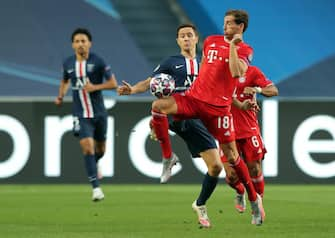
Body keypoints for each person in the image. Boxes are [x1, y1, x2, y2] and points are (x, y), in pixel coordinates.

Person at [149, 9, 265, 227]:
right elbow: (206, 71)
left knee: (231, 156)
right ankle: (168, 157)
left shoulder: (245, 49)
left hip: (219, 110)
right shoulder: (211, 41)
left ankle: (253, 199)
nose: (225, 27)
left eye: (230, 24)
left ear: (240, 27)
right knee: (158, 106)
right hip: (194, 100)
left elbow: (235, 72)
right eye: (224, 22)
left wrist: (232, 46)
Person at [118, 24, 220, 187]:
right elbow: (149, 82)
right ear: (178, 41)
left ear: (196, 38)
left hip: (197, 118)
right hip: (176, 110)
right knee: (159, 106)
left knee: (215, 166)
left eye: (189, 35)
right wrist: (132, 89)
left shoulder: (206, 64)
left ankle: (201, 203)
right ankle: (167, 155)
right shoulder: (171, 62)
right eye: (182, 36)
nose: (186, 38)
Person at [55, 28, 118, 202]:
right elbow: (65, 80)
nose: (80, 44)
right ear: (72, 44)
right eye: (77, 41)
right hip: (80, 113)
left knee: (101, 150)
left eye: (83, 41)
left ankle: (95, 163)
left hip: (99, 113)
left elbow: (113, 83)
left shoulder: (98, 61)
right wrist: (60, 96)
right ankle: (96, 188)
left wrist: (95, 87)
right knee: (88, 147)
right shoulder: (68, 63)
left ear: (89, 43)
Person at [221, 65, 278, 213]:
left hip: (249, 130)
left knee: (254, 168)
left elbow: (273, 90)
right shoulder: (222, 72)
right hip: (227, 130)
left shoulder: (253, 72)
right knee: (231, 176)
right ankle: (240, 191)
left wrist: (257, 90)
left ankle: (258, 203)